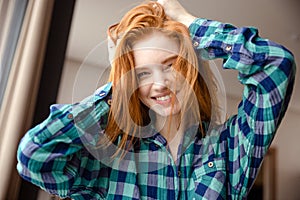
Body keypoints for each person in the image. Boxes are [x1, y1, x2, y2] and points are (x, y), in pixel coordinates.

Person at [17, 0, 296, 199]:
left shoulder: (227, 150)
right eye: (142, 74)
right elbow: (34, 155)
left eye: (171, 65)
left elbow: (276, 65)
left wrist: (191, 25)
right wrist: (119, 85)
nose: (159, 84)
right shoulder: (108, 159)